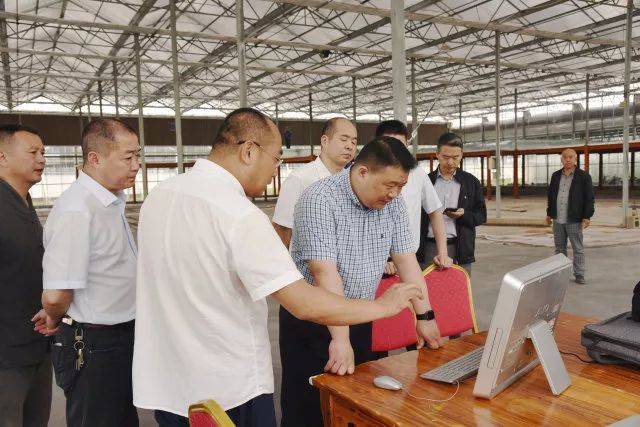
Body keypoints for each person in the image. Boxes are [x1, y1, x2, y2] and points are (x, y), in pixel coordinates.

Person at [132, 108, 422, 427]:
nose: (275, 171)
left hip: (169, 385)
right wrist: (382, 307)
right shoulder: (239, 214)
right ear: (248, 151)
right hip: (229, 389)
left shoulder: (159, 197)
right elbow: (304, 302)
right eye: (276, 158)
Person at [280, 136, 445, 427]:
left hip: (361, 314)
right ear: (362, 171)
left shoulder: (390, 203)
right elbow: (324, 274)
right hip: (313, 322)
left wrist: (425, 315)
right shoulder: (319, 199)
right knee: (309, 409)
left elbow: (407, 261)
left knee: (356, 403)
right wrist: (340, 339)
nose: (394, 194)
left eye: (401, 187)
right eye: (389, 185)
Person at [41, 118, 141, 426]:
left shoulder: (110, 202)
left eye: (138, 156)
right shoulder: (77, 210)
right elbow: (57, 294)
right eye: (129, 157)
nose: (137, 165)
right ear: (94, 159)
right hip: (93, 345)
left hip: (120, 339)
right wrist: (55, 317)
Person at [0, 124, 51, 427]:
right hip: (6, 356)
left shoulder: (23, 202)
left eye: (43, 152)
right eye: (33, 152)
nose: (42, 159)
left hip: (36, 346)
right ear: (2, 157)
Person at [374, 120, 451, 272]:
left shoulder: (417, 173)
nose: (395, 150)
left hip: (407, 260)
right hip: (372, 262)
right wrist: (378, 260)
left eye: (400, 145)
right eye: (390, 144)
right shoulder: (366, 173)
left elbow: (435, 212)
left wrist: (442, 253)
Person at [272, 117, 357, 247]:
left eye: (354, 142)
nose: (349, 146)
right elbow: (282, 230)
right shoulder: (299, 179)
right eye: (344, 139)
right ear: (325, 141)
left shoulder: (353, 181)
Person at [419, 132, 486, 274]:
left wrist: (464, 215)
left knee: (458, 291)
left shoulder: (471, 182)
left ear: (462, 155)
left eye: (455, 158)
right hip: (429, 247)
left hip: (461, 247)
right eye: (446, 157)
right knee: (427, 290)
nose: (450, 162)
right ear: (437, 154)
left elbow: (481, 215)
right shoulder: (426, 181)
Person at [546, 148, 595, 284]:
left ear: (575, 159)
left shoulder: (583, 176)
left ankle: (579, 274)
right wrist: (549, 213)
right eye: (565, 157)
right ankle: (560, 273)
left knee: (577, 248)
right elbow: (551, 196)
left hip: (574, 218)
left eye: (570, 157)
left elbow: (589, 198)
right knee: (559, 248)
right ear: (561, 159)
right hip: (558, 219)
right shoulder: (555, 176)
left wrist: (587, 216)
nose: (568, 159)